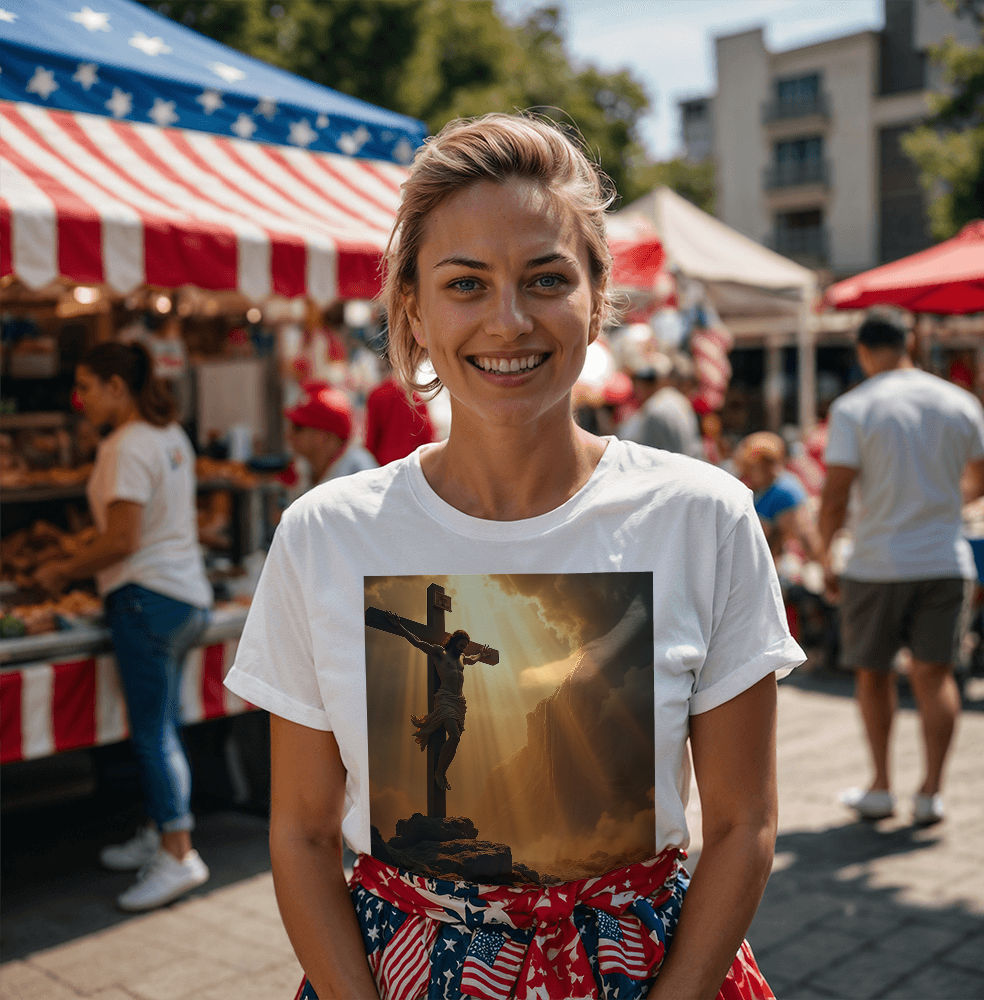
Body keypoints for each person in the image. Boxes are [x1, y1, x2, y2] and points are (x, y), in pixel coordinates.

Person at [224, 113, 803, 1000]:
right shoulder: (323, 535)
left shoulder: (705, 517)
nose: (508, 320)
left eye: (545, 279)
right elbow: (301, 832)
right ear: (412, 306)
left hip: (651, 972)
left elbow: (741, 822)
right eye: (465, 283)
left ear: (597, 298)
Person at [34, 342, 213, 911]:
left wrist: (63, 568)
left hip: (146, 600)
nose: (80, 398)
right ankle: (160, 831)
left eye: (87, 385)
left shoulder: (124, 445)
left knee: (152, 732)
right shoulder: (170, 436)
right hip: (185, 598)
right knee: (165, 725)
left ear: (117, 386)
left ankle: (178, 853)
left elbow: (122, 540)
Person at [819, 312, 984, 825]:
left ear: (862, 350)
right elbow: (982, 480)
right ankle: (930, 792)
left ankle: (880, 786)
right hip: (945, 557)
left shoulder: (855, 408)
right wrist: (939, 502)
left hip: (876, 562)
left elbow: (834, 496)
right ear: (912, 342)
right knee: (936, 675)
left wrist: (824, 553)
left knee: (873, 676)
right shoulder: (957, 400)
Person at [385, 613, 493, 790]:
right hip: (445, 700)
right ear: (453, 642)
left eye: (465, 646)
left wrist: (480, 655)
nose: (463, 649)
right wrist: (399, 626)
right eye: (461, 645)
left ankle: (443, 772)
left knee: (455, 740)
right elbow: (417, 642)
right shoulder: (440, 652)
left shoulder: (461, 658)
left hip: (459, 703)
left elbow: (472, 660)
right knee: (455, 736)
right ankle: (439, 773)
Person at [736, 431, 823, 565]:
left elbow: (806, 536)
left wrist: (823, 567)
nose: (745, 473)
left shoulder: (785, 489)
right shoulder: (751, 488)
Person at [618, 348, 705, 459]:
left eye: (651, 380)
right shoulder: (676, 399)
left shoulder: (657, 409)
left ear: (664, 379)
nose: (643, 385)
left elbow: (650, 459)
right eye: (640, 379)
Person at [285, 383, 377, 488]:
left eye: (298, 427)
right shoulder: (307, 468)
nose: (289, 434)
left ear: (323, 436)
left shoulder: (361, 472)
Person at [365, 368, 436, 466]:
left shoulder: (376, 394)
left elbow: (371, 437)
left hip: (384, 464)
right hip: (411, 463)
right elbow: (428, 435)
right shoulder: (414, 396)